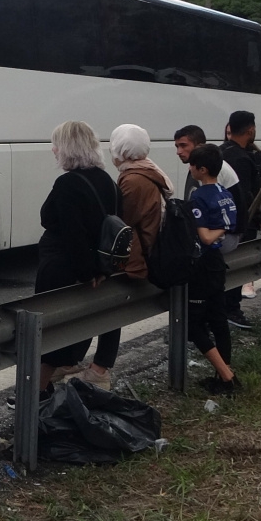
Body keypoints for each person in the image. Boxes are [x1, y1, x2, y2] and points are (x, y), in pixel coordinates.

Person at [62, 124, 175, 391]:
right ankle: (81, 362)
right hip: (144, 251)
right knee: (106, 310)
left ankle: (98, 368)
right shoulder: (147, 170)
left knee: (107, 310)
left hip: (134, 257)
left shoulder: (133, 179)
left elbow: (121, 221)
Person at [33, 121, 120, 393]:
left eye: (56, 144)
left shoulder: (67, 184)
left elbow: (72, 231)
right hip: (96, 266)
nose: (53, 150)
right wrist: (100, 270)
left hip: (61, 268)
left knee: (48, 337)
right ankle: (43, 389)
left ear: (67, 148)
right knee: (73, 332)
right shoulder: (107, 180)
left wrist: (85, 272)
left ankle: (33, 394)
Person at [186, 143, 240, 394]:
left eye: (192, 165)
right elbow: (231, 223)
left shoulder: (198, 196)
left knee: (193, 324)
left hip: (203, 265)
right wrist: (225, 228)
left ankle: (226, 375)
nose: (189, 169)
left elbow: (205, 237)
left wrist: (217, 230)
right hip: (218, 263)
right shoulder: (224, 192)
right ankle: (223, 373)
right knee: (218, 319)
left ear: (202, 169)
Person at [220, 111, 261, 329]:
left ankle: (224, 308)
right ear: (250, 129)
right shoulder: (241, 158)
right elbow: (246, 195)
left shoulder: (221, 152)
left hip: (221, 221)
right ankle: (231, 310)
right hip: (241, 223)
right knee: (238, 267)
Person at [173, 124, 239, 199]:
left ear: (199, 145)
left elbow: (214, 204)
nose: (178, 152)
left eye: (183, 146)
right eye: (177, 146)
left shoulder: (215, 166)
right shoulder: (196, 166)